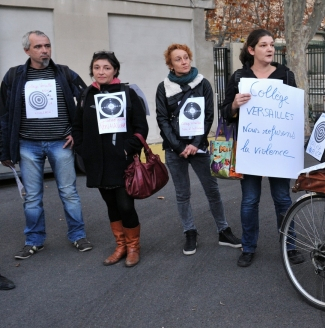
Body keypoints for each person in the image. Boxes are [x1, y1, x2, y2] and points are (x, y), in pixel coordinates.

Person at [0, 30, 92, 259]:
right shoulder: (14, 76)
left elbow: (86, 100)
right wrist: (4, 149)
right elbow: (3, 115)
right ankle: (34, 240)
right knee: (31, 197)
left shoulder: (64, 73)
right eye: (39, 47)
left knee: (69, 192)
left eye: (47, 46)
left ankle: (78, 236)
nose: (44, 50)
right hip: (27, 145)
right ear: (27, 50)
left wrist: (77, 133)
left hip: (61, 143)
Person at [222, 29, 304, 268]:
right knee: (249, 200)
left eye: (272, 45)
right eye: (264, 45)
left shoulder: (285, 75)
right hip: (251, 150)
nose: (270, 49)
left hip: (278, 148)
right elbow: (225, 112)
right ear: (251, 50)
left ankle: (290, 246)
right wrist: (235, 105)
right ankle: (248, 247)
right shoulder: (239, 77)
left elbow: (294, 111)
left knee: (282, 199)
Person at [156, 43, 241, 255]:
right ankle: (190, 232)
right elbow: (162, 119)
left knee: (212, 189)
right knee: (182, 194)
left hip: (199, 147)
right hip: (175, 150)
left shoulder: (202, 83)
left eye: (186, 57)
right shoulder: (164, 87)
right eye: (178, 59)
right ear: (170, 64)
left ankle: (223, 230)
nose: (184, 61)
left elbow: (208, 116)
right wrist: (179, 146)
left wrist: (194, 144)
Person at [72, 51, 148, 267]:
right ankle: (120, 245)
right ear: (92, 70)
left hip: (122, 161)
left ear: (115, 70)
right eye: (97, 67)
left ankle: (133, 247)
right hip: (97, 162)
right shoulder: (86, 95)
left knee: (125, 205)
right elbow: (77, 127)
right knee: (111, 206)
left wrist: (127, 149)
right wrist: (82, 148)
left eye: (106, 67)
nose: (101, 71)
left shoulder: (128, 93)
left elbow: (141, 127)